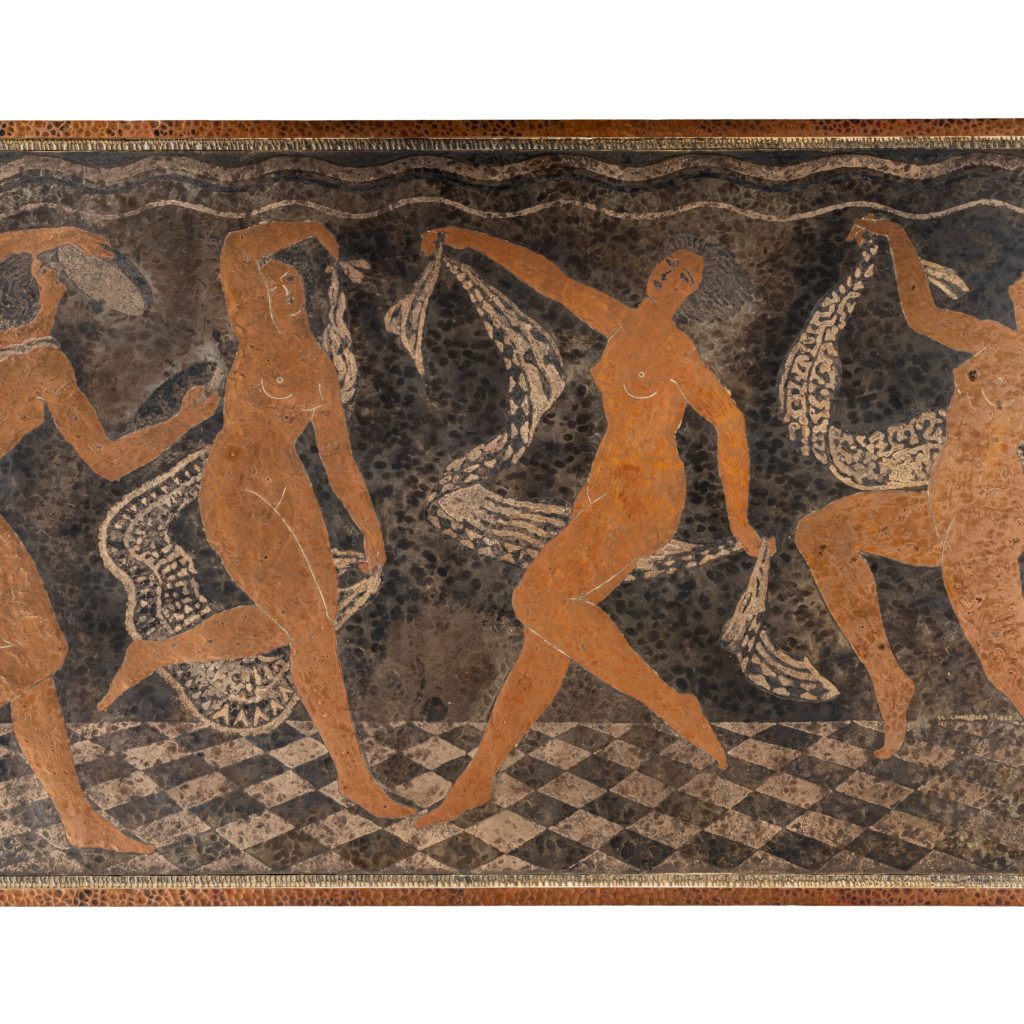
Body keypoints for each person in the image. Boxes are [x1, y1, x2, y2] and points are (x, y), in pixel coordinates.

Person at [417, 226, 763, 826]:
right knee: (547, 641)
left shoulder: (676, 352)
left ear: (693, 295)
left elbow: (728, 420)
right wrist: (472, 238)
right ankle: (478, 779)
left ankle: (671, 703)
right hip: (601, 497)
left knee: (535, 600)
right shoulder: (620, 321)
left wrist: (740, 519)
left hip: (648, 498)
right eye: (669, 263)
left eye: (685, 277)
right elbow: (551, 281)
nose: (669, 276)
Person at [100, 221, 413, 819]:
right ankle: (353, 777)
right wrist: (311, 228)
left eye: (292, 282)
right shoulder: (256, 335)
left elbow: (338, 459)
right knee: (311, 629)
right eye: (273, 284)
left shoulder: (318, 366)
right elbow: (237, 248)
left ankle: (159, 653)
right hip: (237, 487)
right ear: (257, 299)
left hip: (289, 491)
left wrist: (369, 525)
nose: (284, 290)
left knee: (302, 620)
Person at [0, 226, 217, 852]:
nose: (62, 279)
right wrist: (183, 421)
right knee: (29, 667)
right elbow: (109, 460)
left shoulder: (33, 355)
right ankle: (77, 819)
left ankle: (77, 819)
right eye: (53, 271)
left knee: (31, 668)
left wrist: (55, 234)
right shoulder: (41, 361)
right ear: (41, 284)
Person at [796, 215, 1024, 759]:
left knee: (1005, 662)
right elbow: (922, 315)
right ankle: (889, 679)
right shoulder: (994, 342)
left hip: (986, 520)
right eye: (1021, 292)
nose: (1019, 296)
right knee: (823, 533)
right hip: (941, 507)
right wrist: (897, 239)